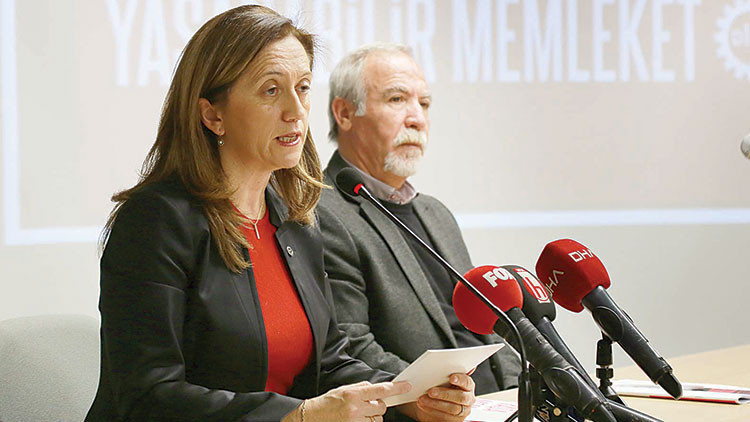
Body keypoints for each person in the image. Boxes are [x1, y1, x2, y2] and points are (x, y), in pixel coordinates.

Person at [86, 6, 476, 421]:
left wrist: (409, 398)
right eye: (271, 90)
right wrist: (299, 416)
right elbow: (148, 396)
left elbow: (328, 364)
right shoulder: (156, 223)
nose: (296, 110)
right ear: (213, 115)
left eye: (303, 87)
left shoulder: (295, 222)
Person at [318, 43, 522, 396]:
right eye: (397, 99)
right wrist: (437, 396)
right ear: (345, 113)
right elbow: (350, 346)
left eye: (424, 104)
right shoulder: (324, 211)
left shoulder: (436, 213)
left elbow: (490, 327)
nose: (417, 119)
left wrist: (517, 389)